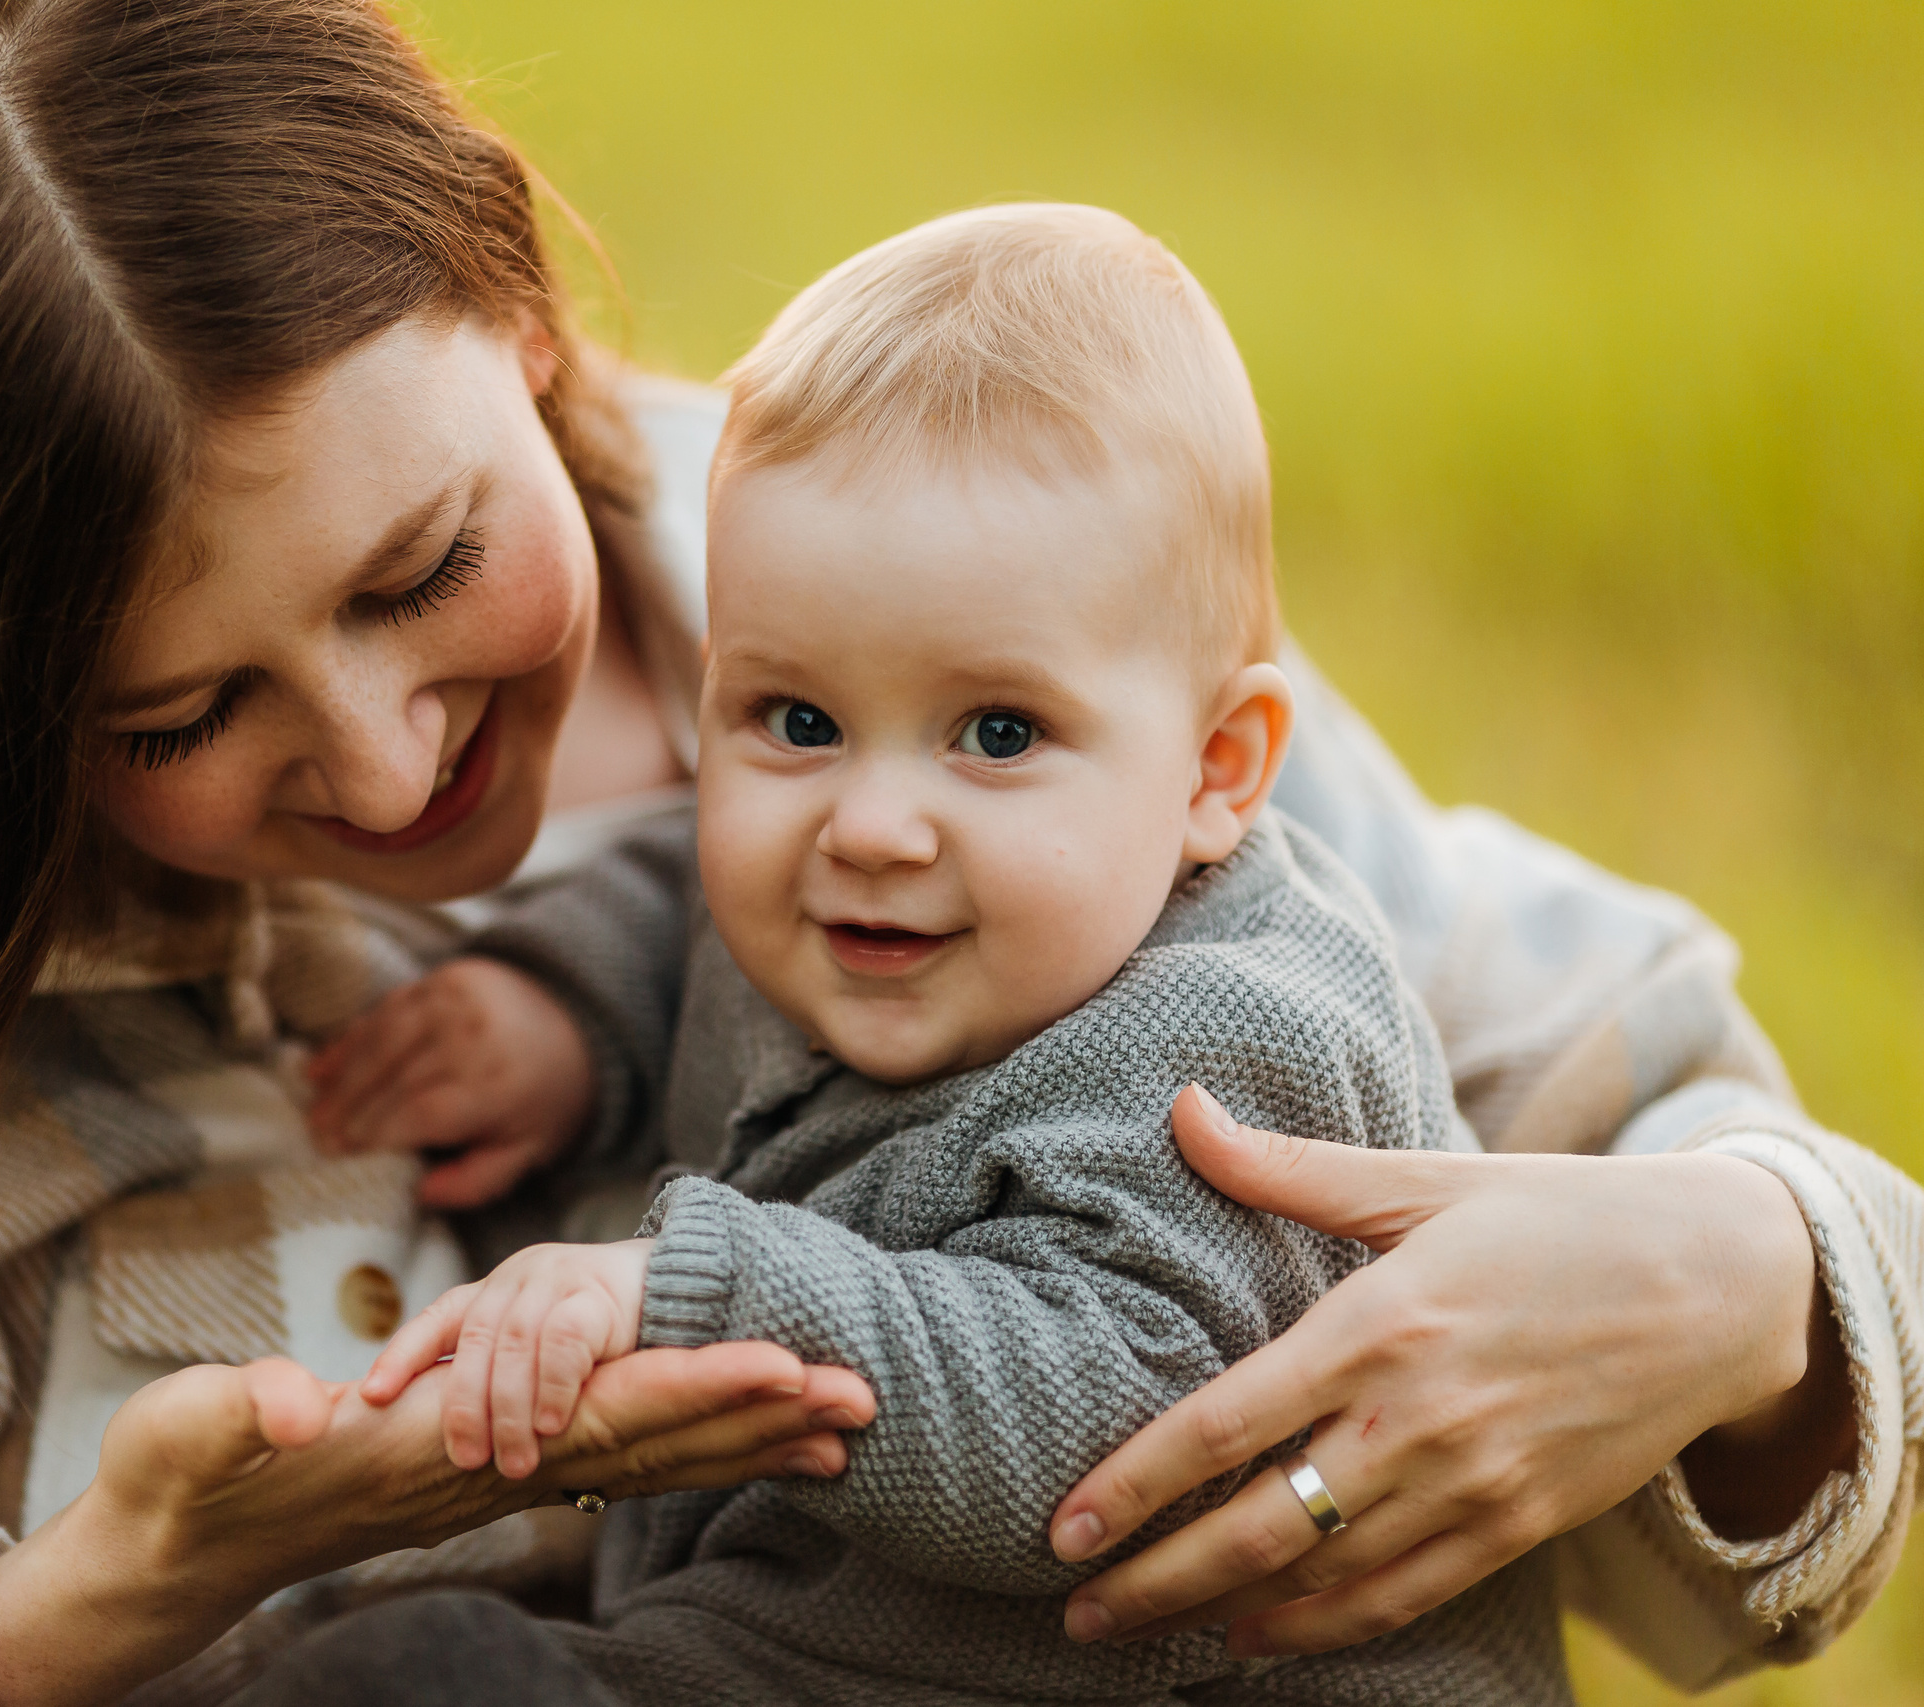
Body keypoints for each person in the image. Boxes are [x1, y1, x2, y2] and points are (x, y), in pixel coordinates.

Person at [0, 0, 1902, 1703]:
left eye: (419, 564)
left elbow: (1653, 1083)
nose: (376, 765)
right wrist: (63, 1610)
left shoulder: (928, 576)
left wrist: (1736, 1267)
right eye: (174, 706)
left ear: (521, 311)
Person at [300, 202, 1576, 1706]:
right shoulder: (856, 893)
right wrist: (564, 1016)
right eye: (798, 720)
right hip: (792, 1638)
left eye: (997, 734)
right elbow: (682, 895)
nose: (872, 826)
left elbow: (1108, 1418)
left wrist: (691, 1296)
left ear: (1218, 771)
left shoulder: (1234, 1046)